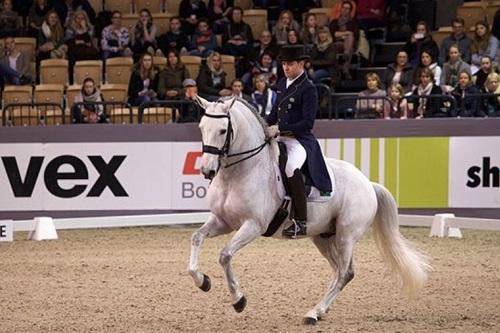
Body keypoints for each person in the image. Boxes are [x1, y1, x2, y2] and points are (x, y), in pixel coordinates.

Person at [266, 45, 332, 238]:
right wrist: (262, 126)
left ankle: (300, 221)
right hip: (280, 137)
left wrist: (280, 129)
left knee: (290, 168)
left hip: (299, 140)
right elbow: (272, 115)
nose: (286, 67)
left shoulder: (308, 88)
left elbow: (307, 123)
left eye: (290, 64)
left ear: (301, 64)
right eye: (284, 64)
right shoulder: (281, 83)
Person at [329, 1, 358, 79]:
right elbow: (333, 34)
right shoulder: (334, 22)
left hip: (349, 44)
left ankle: (346, 55)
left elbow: (355, 35)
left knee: (350, 40)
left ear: (350, 11)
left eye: (347, 8)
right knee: (348, 39)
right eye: (344, 8)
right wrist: (346, 34)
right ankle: (345, 65)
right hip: (337, 44)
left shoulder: (353, 22)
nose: (345, 10)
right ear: (341, 9)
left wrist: (341, 35)